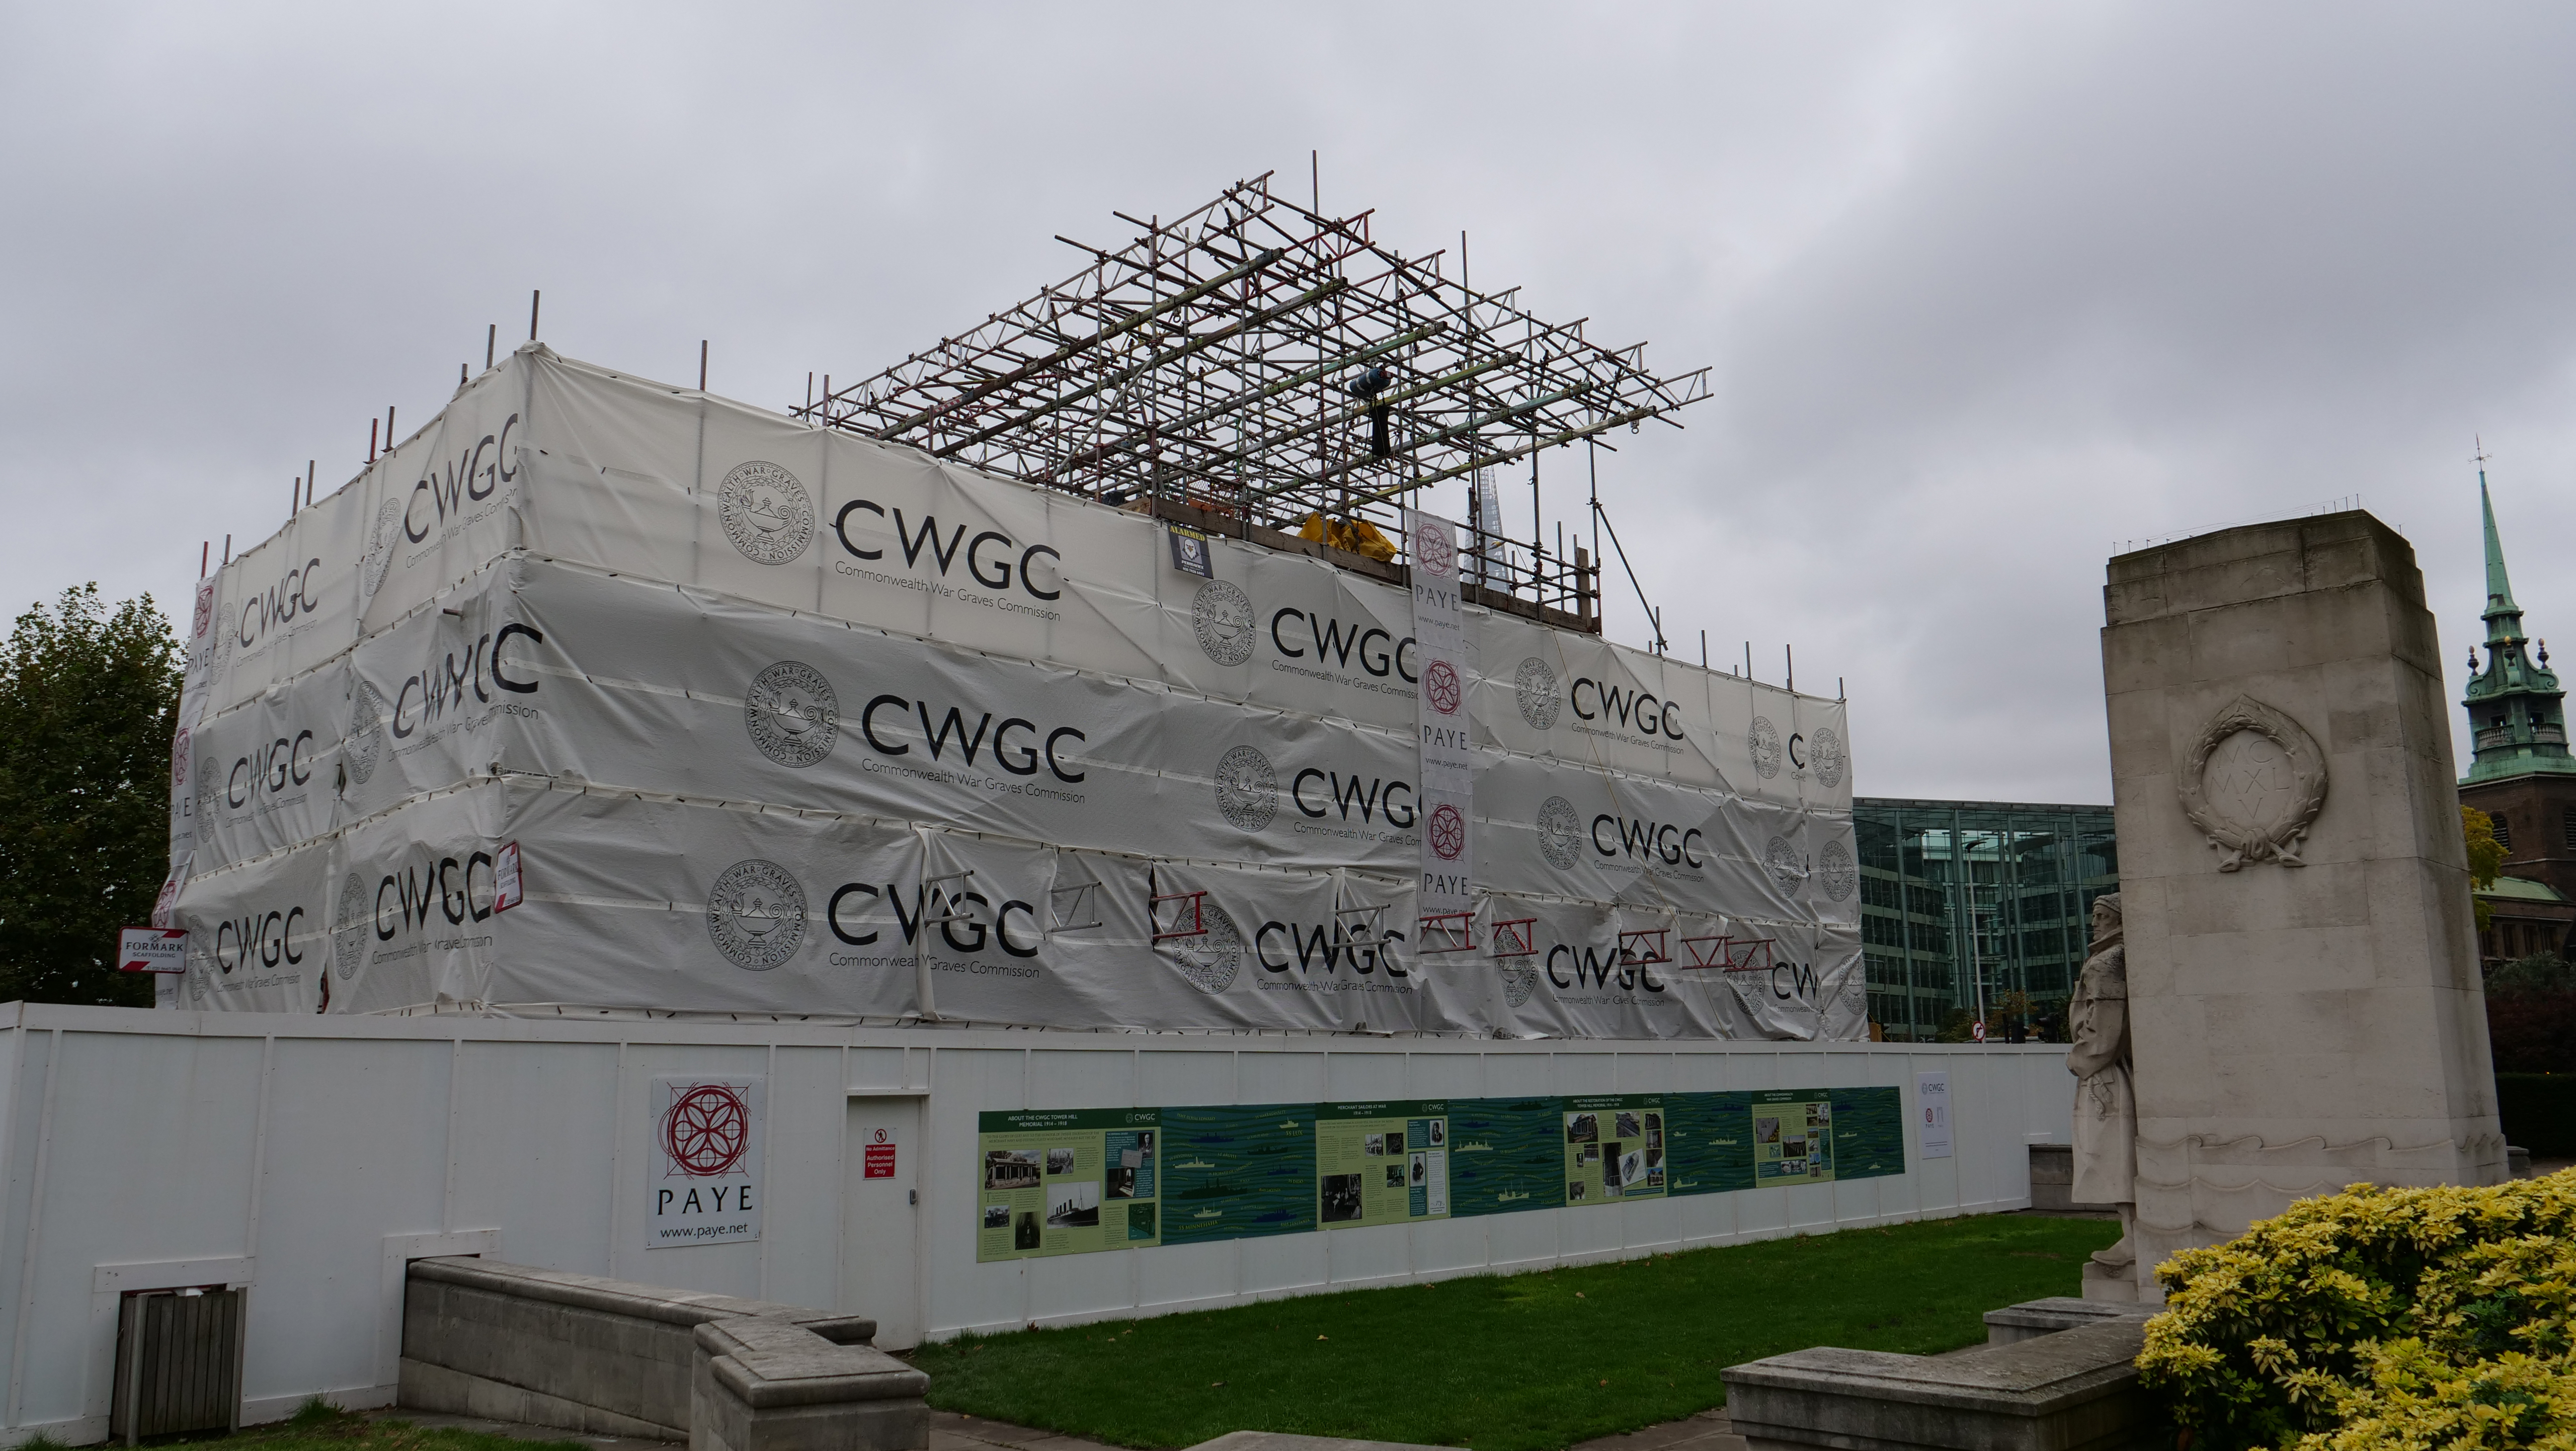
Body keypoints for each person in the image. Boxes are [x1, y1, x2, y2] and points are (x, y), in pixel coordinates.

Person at [2067, 893, 2137, 1285]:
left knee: (2113, 1155)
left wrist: (2079, 1059)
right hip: (2112, 1072)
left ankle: (2132, 1238)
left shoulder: (2107, 962)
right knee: (2112, 1154)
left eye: (2101, 916)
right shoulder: (2116, 957)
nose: (2095, 923)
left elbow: (2106, 1030)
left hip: (2105, 1076)